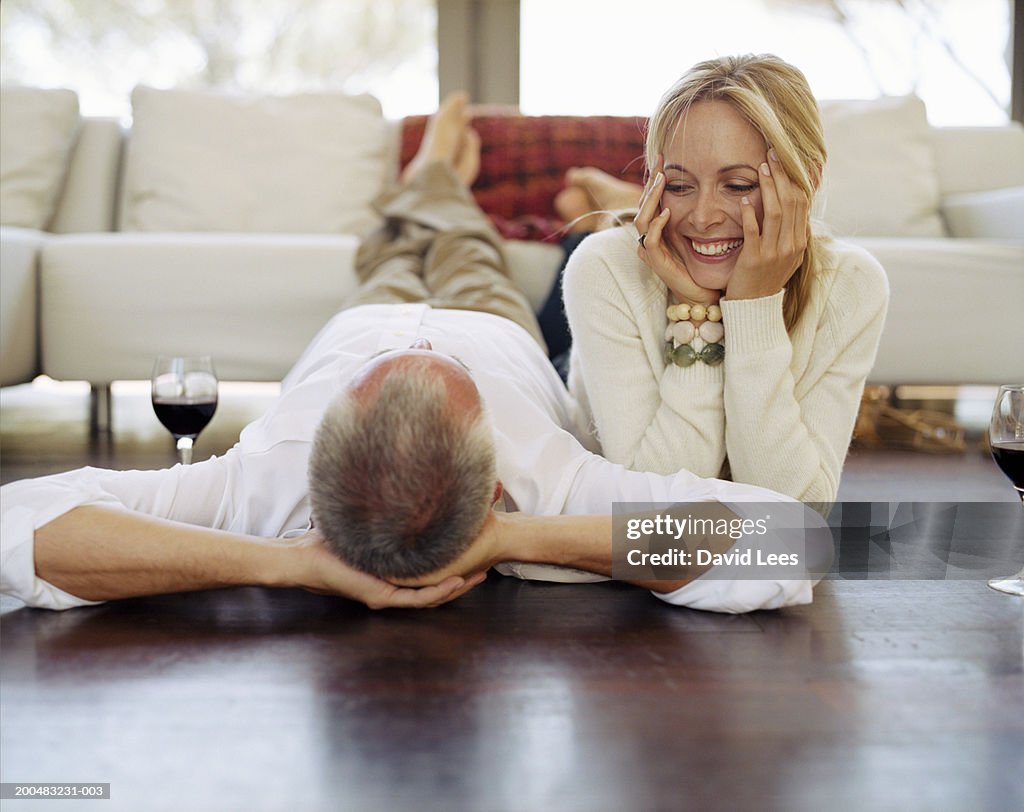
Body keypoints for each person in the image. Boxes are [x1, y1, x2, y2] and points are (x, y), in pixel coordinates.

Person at [0, 93, 817, 615]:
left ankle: (425, 182)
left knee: (386, 257)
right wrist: (511, 539)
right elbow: (796, 542)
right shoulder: (546, 479)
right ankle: (441, 193)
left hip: (359, 317)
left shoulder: (260, 478)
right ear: (498, 483)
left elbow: (16, 527)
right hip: (494, 321)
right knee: (469, 253)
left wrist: (287, 562)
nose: (420, 341)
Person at [557, 55, 889, 509]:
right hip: (582, 328)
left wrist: (754, 303)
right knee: (469, 269)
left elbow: (794, 512)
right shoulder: (604, 268)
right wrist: (698, 313)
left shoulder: (852, 283)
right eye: (677, 186)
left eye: (736, 185)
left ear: (806, 181)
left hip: (659, 262)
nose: (703, 216)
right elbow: (655, 509)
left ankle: (624, 204)